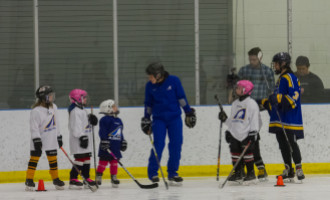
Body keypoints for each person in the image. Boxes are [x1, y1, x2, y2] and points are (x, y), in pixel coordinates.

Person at [141, 62, 196, 185]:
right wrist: (146, 118)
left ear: (158, 74)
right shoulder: (149, 86)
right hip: (159, 120)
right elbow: (148, 104)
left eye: (151, 76)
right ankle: (153, 173)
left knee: (176, 145)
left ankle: (172, 173)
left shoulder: (174, 81)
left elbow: (181, 98)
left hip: (174, 119)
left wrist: (188, 112)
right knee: (158, 146)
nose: (149, 79)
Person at [260, 52, 305, 181]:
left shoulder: (290, 77)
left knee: (291, 142)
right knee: (282, 144)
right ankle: (288, 169)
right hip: (281, 118)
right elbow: (277, 99)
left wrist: (279, 98)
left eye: (276, 63)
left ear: (283, 63)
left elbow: (294, 96)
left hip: (289, 118)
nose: (274, 66)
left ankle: (298, 168)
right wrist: (267, 102)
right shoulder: (281, 78)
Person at [237, 47, 274, 180]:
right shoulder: (244, 71)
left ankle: (259, 168)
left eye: (255, 59)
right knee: (242, 140)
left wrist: (265, 104)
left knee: (252, 140)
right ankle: (245, 169)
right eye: (250, 59)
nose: (252, 61)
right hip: (245, 110)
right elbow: (238, 90)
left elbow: (271, 92)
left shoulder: (267, 72)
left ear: (260, 58)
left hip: (258, 109)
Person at [218, 80, 261, 183]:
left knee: (247, 154)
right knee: (235, 153)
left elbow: (255, 120)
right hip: (235, 133)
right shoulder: (235, 104)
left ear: (245, 90)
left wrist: (254, 132)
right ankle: (238, 173)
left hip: (246, 134)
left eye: (239, 87)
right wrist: (226, 122)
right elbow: (234, 120)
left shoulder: (251, 103)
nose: (236, 89)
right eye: (236, 87)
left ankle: (250, 173)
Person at [25, 85, 65, 191]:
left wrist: (59, 136)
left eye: (52, 95)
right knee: (34, 159)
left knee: (53, 160)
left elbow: (57, 123)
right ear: (43, 97)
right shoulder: (36, 111)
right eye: (50, 95)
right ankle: (29, 179)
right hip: (39, 138)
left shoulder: (54, 107)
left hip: (51, 138)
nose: (52, 97)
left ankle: (55, 178)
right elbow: (34, 127)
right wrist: (36, 139)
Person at [68, 89, 98, 190]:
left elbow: (86, 126)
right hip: (79, 140)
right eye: (83, 97)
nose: (85, 99)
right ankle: (73, 179)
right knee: (80, 159)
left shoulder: (84, 111)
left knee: (87, 159)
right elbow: (75, 127)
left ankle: (86, 178)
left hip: (85, 139)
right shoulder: (75, 112)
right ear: (77, 99)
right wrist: (82, 136)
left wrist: (92, 121)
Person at [95, 99, 127, 188]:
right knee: (103, 162)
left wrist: (123, 141)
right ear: (108, 108)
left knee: (114, 162)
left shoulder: (119, 120)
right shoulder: (104, 120)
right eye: (113, 106)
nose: (116, 107)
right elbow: (102, 131)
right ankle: (98, 176)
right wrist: (104, 140)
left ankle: (114, 177)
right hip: (107, 145)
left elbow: (120, 132)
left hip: (115, 146)